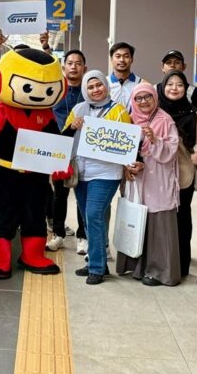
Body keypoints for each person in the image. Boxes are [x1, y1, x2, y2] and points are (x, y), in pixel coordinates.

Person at [0, 48, 67, 279]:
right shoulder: (4, 110)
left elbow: (55, 142)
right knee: (3, 213)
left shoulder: (47, 115)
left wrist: (61, 164)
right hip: (8, 173)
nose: (38, 95)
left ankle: (32, 254)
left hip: (37, 176)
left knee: (35, 213)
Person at [62, 71, 131, 284]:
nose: (95, 90)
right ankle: (96, 260)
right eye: (90, 87)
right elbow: (63, 138)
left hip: (106, 173)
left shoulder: (119, 110)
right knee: (89, 218)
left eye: (99, 85)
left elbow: (128, 143)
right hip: (81, 172)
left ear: (105, 86)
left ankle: (97, 267)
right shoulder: (78, 109)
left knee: (93, 214)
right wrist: (72, 127)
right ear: (85, 90)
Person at [117, 83, 181, 286]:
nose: (143, 101)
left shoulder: (165, 120)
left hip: (158, 178)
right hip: (136, 178)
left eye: (148, 97)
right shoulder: (129, 119)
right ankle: (137, 267)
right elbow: (121, 148)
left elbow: (172, 150)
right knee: (136, 219)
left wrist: (155, 140)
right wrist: (127, 166)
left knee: (158, 222)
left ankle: (159, 271)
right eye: (139, 98)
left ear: (155, 97)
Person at [158, 70, 197, 277]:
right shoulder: (156, 110)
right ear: (163, 87)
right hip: (159, 172)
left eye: (179, 85)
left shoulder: (194, 113)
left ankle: (181, 262)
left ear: (185, 88)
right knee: (160, 216)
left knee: (182, 215)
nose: (174, 88)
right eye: (170, 84)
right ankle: (160, 259)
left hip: (184, 171)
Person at [46, 50, 88, 253]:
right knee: (59, 195)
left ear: (84, 68)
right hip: (59, 149)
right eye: (70, 63)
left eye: (78, 63)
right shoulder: (55, 91)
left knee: (82, 195)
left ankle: (82, 236)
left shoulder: (89, 92)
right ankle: (58, 234)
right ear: (63, 68)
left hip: (83, 150)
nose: (74, 66)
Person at [107, 42, 147, 110]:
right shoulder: (104, 84)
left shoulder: (142, 83)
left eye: (126, 56)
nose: (122, 60)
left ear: (132, 59)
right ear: (111, 59)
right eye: (118, 56)